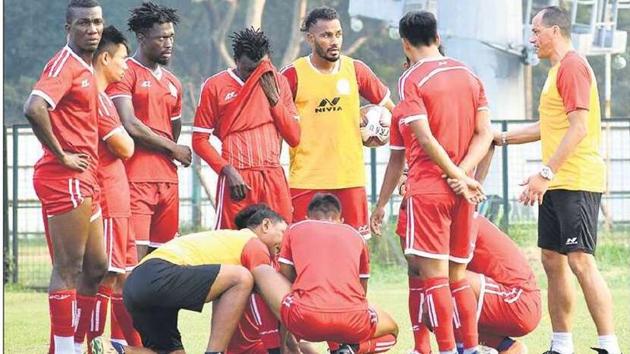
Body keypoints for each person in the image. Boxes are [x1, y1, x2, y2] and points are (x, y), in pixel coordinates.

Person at [495, 6, 621, 354]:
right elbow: (547, 128)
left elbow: (579, 127)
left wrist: (544, 173)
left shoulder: (573, 66)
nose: (531, 39)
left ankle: (608, 345)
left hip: (576, 178)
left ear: (554, 31)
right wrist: (500, 138)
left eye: (535, 32)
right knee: (552, 259)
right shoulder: (554, 73)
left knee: (580, 259)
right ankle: (562, 344)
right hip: (557, 181)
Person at [370, 11, 493, 354]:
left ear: (405, 44)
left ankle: (445, 349)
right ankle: (469, 348)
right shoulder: (470, 75)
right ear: (438, 38)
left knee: (435, 278)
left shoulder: (411, 80)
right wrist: (465, 176)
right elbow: (485, 133)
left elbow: (423, 139)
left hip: (430, 190)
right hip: (462, 192)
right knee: (458, 278)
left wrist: (454, 176)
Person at [398, 147, 541, 354]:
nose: (405, 180)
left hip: (519, 300)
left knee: (439, 288)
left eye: (409, 173)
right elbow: (416, 270)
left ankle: (463, 349)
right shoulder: (428, 213)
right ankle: (506, 347)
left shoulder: (456, 213)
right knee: (434, 297)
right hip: (501, 300)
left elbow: (435, 274)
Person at [91, 205, 288, 354]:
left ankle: (114, 349)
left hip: (136, 284)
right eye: (283, 233)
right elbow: (266, 302)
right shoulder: (253, 243)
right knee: (242, 278)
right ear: (266, 225)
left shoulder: (227, 240)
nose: (285, 242)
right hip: (158, 273)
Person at [23, 1, 106, 352]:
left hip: (87, 176)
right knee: (69, 266)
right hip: (64, 176)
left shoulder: (86, 68)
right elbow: (33, 107)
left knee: (98, 266)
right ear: (68, 28)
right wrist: (61, 154)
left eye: (97, 22)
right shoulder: (65, 64)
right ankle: (64, 348)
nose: (92, 29)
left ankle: (77, 343)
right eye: (84, 23)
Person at [280, 6, 394, 238]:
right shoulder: (292, 75)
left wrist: (380, 127)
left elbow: (396, 112)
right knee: (304, 248)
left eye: (338, 34)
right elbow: (275, 124)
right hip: (307, 179)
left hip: (349, 178)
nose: (334, 41)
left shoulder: (356, 70)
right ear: (310, 38)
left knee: (355, 249)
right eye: (326, 35)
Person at [252, 193, 399, 354]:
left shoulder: (295, 228)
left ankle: (277, 348)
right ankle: (351, 349)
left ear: (307, 217)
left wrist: (289, 341)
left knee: (262, 270)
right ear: (341, 220)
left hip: (305, 319)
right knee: (392, 332)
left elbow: (286, 282)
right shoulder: (356, 236)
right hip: (353, 319)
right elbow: (362, 291)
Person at [107, 2, 192, 261]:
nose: (168, 43)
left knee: (164, 262)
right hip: (135, 179)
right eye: (161, 38)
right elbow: (129, 124)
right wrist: (172, 149)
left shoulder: (173, 82)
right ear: (142, 38)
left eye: (171, 37)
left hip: (168, 181)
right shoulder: (125, 72)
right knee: (133, 261)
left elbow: (172, 129)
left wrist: (170, 149)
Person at [76, 25, 143, 351]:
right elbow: (126, 147)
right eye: (122, 59)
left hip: (119, 198)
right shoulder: (96, 100)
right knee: (105, 274)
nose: (125, 66)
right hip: (106, 197)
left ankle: (118, 341)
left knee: (122, 276)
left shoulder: (99, 97)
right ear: (105, 58)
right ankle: (90, 341)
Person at [192, 27, 300, 230]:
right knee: (232, 243)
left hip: (272, 174)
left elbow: (294, 137)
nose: (255, 76)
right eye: (249, 70)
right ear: (236, 60)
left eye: (260, 68)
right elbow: (199, 140)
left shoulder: (278, 82)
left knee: (281, 240)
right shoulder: (215, 85)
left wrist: (274, 100)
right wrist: (227, 171)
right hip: (238, 177)